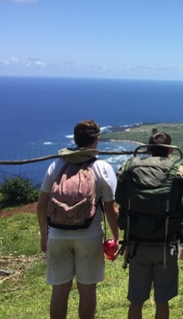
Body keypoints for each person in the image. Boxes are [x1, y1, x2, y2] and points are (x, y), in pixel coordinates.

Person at [37, 119, 120, 319]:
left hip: (57, 234)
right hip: (89, 235)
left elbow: (41, 206)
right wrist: (116, 238)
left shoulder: (56, 165)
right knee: (87, 289)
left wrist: (44, 235)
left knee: (59, 290)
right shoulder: (102, 168)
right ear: (97, 140)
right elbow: (111, 209)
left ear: (75, 139)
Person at [121, 132, 183, 319]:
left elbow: (124, 206)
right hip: (166, 245)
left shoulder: (132, 168)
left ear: (148, 149)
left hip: (137, 244)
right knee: (162, 300)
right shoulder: (179, 171)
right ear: (170, 150)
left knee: (136, 299)